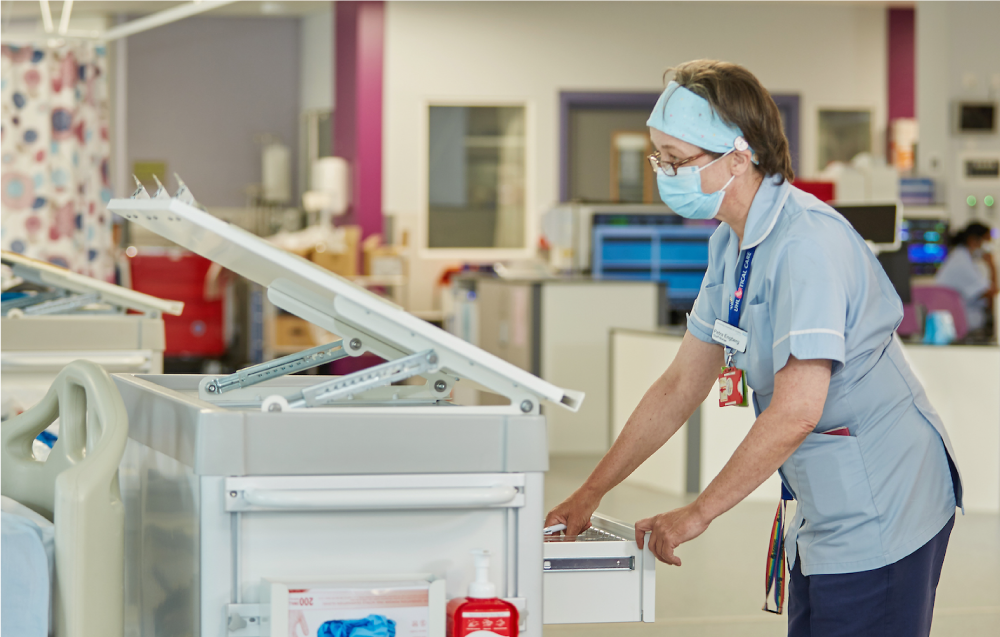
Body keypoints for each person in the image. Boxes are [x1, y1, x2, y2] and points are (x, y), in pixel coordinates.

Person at [545, 60, 962, 637]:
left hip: (883, 501)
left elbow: (796, 410)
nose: (662, 173)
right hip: (825, 501)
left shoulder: (805, 245)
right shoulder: (731, 245)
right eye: (657, 158)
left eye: (675, 160)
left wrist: (698, 513)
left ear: (737, 157)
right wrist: (590, 492)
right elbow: (679, 385)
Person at [935, 222, 997, 337]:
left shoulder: (961, 257)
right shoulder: (961, 262)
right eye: (986, 241)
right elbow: (990, 292)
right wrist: (992, 265)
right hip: (963, 322)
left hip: (956, 319)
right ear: (973, 240)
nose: (988, 247)